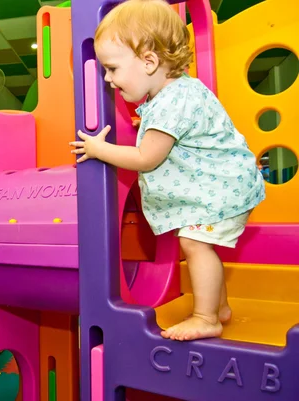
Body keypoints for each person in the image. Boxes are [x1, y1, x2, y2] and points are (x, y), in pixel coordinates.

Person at [70, 0, 265, 341]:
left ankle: (206, 317)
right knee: (201, 242)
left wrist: (99, 149)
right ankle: (219, 308)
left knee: (195, 243)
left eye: (112, 68)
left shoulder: (172, 102)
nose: (107, 79)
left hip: (222, 189)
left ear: (149, 61)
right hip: (223, 186)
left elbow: (147, 158)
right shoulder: (174, 94)